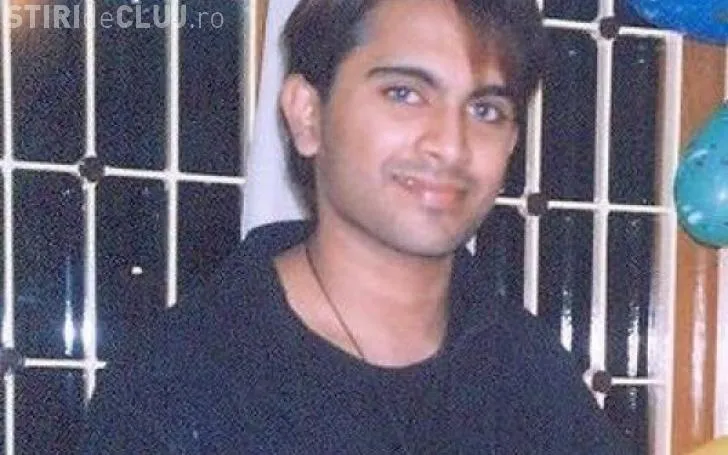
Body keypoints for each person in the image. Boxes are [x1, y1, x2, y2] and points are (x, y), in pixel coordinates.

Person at [82, 0, 635, 453]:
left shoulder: (530, 374)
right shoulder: (180, 385)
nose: (450, 144)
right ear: (307, 114)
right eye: (404, 94)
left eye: (485, 110)